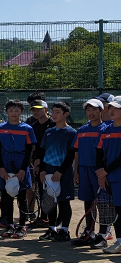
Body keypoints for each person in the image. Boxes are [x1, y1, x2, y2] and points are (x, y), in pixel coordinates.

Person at [0, 99, 36, 238]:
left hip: (21, 165)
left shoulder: (27, 129)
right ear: (6, 112)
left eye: (17, 110)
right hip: (5, 165)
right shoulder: (0, 128)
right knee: (6, 197)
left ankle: (22, 226)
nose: (14, 113)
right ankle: (9, 225)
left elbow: (29, 150)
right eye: (11, 110)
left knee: (22, 197)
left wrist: (23, 169)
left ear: (21, 112)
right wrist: (1, 168)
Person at [38, 101, 76, 242]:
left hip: (64, 173)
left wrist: (60, 171)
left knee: (64, 202)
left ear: (66, 114)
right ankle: (52, 229)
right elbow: (42, 152)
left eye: (57, 112)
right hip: (48, 171)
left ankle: (64, 230)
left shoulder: (72, 133)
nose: (54, 115)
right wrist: (42, 170)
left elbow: (71, 155)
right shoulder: (48, 132)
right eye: (53, 112)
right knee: (50, 201)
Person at [72, 98, 108, 247]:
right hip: (84, 170)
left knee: (103, 203)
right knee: (88, 202)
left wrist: (104, 173)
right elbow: (77, 152)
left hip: (99, 172)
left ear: (101, 111)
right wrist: (76, 172)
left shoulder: (106, 129)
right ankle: (89, 232)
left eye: (94, 109)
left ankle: (103, 235)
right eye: (88, 110)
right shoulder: (81, 130)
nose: (91, 113)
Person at [95, 98, 121, 252]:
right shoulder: (105, 130)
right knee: (118, 209)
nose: (111, 111)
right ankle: (119, 241)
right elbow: (99, 152)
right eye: (110, 107)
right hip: (111, 177)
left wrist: (106, 170)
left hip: (114, 174)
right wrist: (101, 173)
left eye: (116, 108)